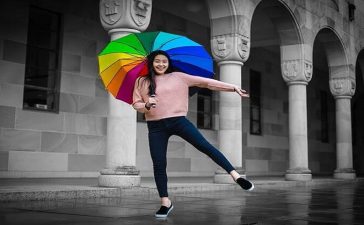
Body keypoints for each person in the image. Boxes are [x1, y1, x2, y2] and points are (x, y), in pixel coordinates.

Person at [132, 50, 254, 219]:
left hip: (178, 121)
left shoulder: (179, 77)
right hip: (155, 127)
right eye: (157, 61)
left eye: (164, 61)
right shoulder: (141, 81)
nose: (161, 64)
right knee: (159, 163)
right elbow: (135, 103)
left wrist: (232, 87)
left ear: (168, 63)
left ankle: (236, 176)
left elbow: (207, 83)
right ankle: (165, 202)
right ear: (151, 62)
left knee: (205, 146)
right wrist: (146, 105)